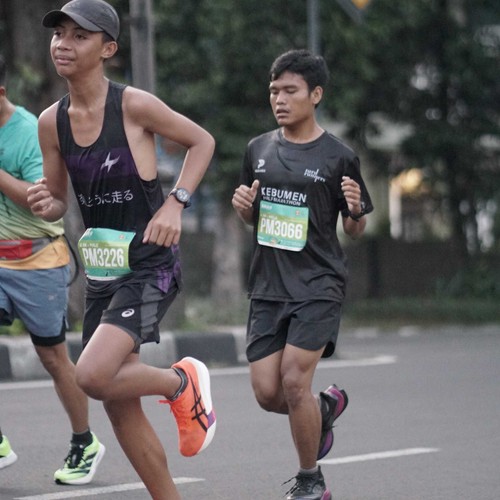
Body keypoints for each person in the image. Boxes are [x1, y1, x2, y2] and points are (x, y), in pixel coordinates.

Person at [28, 1, 216, 498]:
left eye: (80, 36)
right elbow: (58, 199)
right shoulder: (51, 122)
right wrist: (47, 202)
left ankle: (180, 384)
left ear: (108, 48)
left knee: (92, 376)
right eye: (59, 34)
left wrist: (176, 203)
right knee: (116, 402)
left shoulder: (133, 105)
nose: (63, 44)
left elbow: (201, 142)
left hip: (150, 264)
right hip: (103, 271)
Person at [232, 49, 373, 500]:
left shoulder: (339, 156)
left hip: (318, 283)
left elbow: (354, 227)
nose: (279, 99)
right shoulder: (257, 149)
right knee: (267, 393)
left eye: (290, 91)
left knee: (294, 381)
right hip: (268, 285)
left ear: (315, 95)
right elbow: (254, 218)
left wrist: (355, 210)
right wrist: (245, 210)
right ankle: (324, 408)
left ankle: (311, 479)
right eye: (274, 91)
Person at [0, 54, 105, 485]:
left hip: (37, 260)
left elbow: (38, 201)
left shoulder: (27, 131)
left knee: (53, 357)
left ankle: (85, 441)